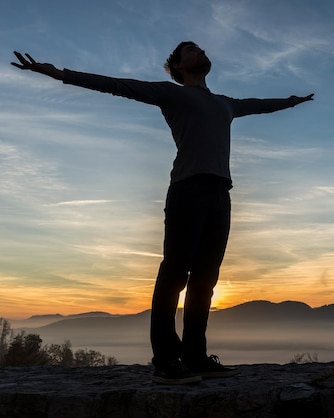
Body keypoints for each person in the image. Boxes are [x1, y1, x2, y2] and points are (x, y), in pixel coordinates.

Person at [11, 42, 314, 384]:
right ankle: (166, 362)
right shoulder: (171, 94)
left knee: (205, 279)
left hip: (220, 194)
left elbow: (260, 105)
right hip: (187, 190)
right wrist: (59, 74)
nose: (200, 52)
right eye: (191, 50)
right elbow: (119, 85)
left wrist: (291, 102)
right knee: (175, 274)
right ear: (179, 66)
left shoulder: (225, 104)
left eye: (200, 48)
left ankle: (195, 357)